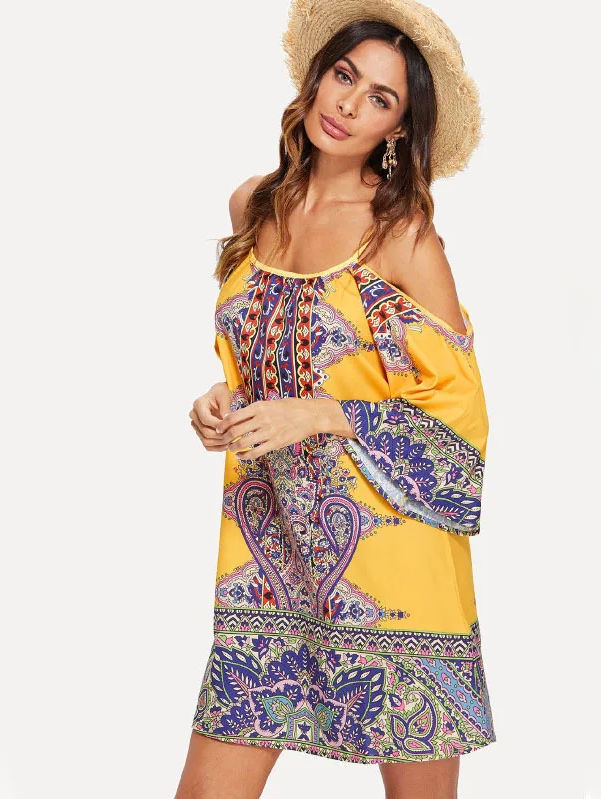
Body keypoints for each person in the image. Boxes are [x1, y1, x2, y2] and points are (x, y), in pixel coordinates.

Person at [177, 2, 495, 796]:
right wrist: (223, 400)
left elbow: (460, 417)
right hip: (266, 563)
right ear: (317, 76)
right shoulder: (253, 206)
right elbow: (268, 360)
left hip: (396, 576)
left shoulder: (403, 236)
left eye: (379, 98)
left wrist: (322, 414)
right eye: (345, 76)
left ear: (397, 128)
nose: (349, 104)